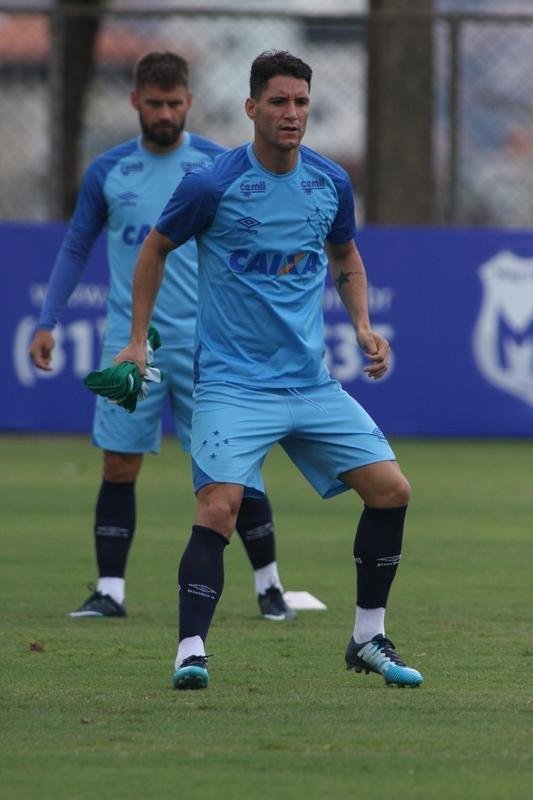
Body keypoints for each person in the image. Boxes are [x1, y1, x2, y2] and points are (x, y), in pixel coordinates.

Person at [116, 50, 424, 691]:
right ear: (252, 108)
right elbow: (154, 250)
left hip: (309, 384)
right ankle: (191, 651)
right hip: (231, 385)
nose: (292, 114)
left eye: (302, 102)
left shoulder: (330, 182)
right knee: (219, 506)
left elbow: (346, 257)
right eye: (279, 102)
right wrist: (135, 341)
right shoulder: (212, 184)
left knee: (392, 490)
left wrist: (363, 324)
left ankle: (367, 637)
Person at [28, 50, 295, 623]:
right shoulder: (108, 171)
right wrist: (48, 320)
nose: (166, 113)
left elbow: (253, 250)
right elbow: (76, 246)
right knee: (119, 464)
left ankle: (271, 587)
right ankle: (110, 591)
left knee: (234, 468)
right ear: (135, 103)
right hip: (133, 347)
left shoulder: (216, 167)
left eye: (175, 103)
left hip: (213, 349)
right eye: (155, 104)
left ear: (190, 102)